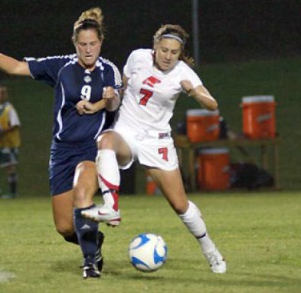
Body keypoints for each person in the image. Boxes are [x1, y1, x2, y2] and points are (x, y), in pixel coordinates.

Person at [0, 7, 121, 278]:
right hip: (62, 151)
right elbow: (17, 66)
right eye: (83, 44)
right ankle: (93, 243)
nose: (88, 50)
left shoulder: (109, 71)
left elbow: (116, 102)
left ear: (101, 42)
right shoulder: (61, 66)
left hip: (92, 147)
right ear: (75, 44)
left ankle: (89, 263)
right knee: (64, 227)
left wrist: (107, 99)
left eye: (93, 44)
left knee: (83, 196)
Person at [82, 24, 227, 273]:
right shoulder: (137, 57)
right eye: (164, 50)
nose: (168, 56)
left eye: (173, 52)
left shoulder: (184, 73)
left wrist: (194, 93)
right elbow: (121, 94)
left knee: (180, 205)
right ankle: (111, 208)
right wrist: (109, 97)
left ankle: (211, 250)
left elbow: (212, 105)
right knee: (105, 141)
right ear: (155, 46)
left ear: (179, 54)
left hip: (156, 141)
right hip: (126, 132)